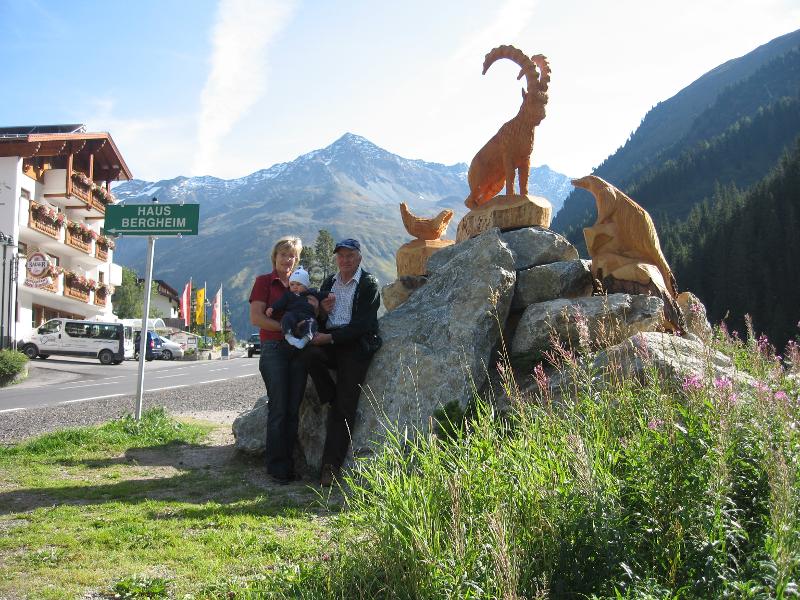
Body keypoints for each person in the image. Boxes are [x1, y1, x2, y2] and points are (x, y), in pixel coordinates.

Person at [301, 238, 381, 487]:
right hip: (332, 342)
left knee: (344, 410)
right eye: (341, 256)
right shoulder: (330, 282)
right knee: (307, 354)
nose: (345, 260)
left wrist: (330, 338)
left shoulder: (368, 283)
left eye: (350, 256)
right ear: (337, 258)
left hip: (355, 346)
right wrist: (322, 312)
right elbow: (321, 318)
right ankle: (331, 396)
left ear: (359, 258)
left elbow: (363, 325)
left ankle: (330, 468)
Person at [249, 236, 306, 485]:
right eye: (284, 254)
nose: (288, 259)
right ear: (275, 257)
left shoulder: (299, 285)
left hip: (298, 351)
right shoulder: (264, 281)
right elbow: (257, 318)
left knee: (293, 409)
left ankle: (289, 462)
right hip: (273, 349)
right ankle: (276, 466)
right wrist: (287, 329)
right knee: (279, 408)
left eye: (292, 255)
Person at [265, 266, 331, 349]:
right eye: (292, 284)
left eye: (299, 284)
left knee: (312, 323)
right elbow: (280, 303)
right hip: (293, 314)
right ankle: (289, 336)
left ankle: (305, 340)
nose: (295, 287)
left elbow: (321, 294)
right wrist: (272, 308)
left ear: (306, 285)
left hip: (307, 316)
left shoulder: (311, 293)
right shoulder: (288, 295)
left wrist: (329, 294)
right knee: (286, 318)